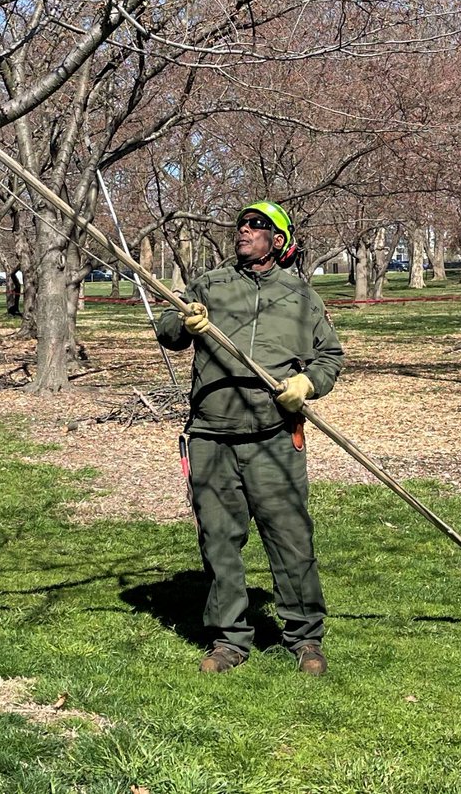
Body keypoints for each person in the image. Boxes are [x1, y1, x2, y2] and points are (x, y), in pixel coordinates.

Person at [157, 200, 344, 675]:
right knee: (219, 539)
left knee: (290, 538)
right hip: (212, 435)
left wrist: (306, 385)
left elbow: (330, 358)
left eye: (258, 225)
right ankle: (229, 639)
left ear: (278, 240)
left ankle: (305, 637)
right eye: (242, 224)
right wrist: (185, 319)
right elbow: (167, 331)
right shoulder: (211, 285)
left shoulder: (301, 297)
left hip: (274, 437)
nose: (245, 230)